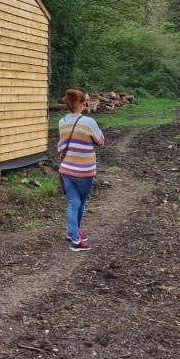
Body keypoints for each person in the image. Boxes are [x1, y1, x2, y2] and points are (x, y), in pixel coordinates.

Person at [55, 89, 105, 252]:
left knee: (72, 202)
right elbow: (100, 142)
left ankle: (73, 233)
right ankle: (76, 239)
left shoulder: (62, 121)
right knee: (80, 202)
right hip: (84, 171)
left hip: (66, 169)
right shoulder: (89, 122)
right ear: (82, 104)